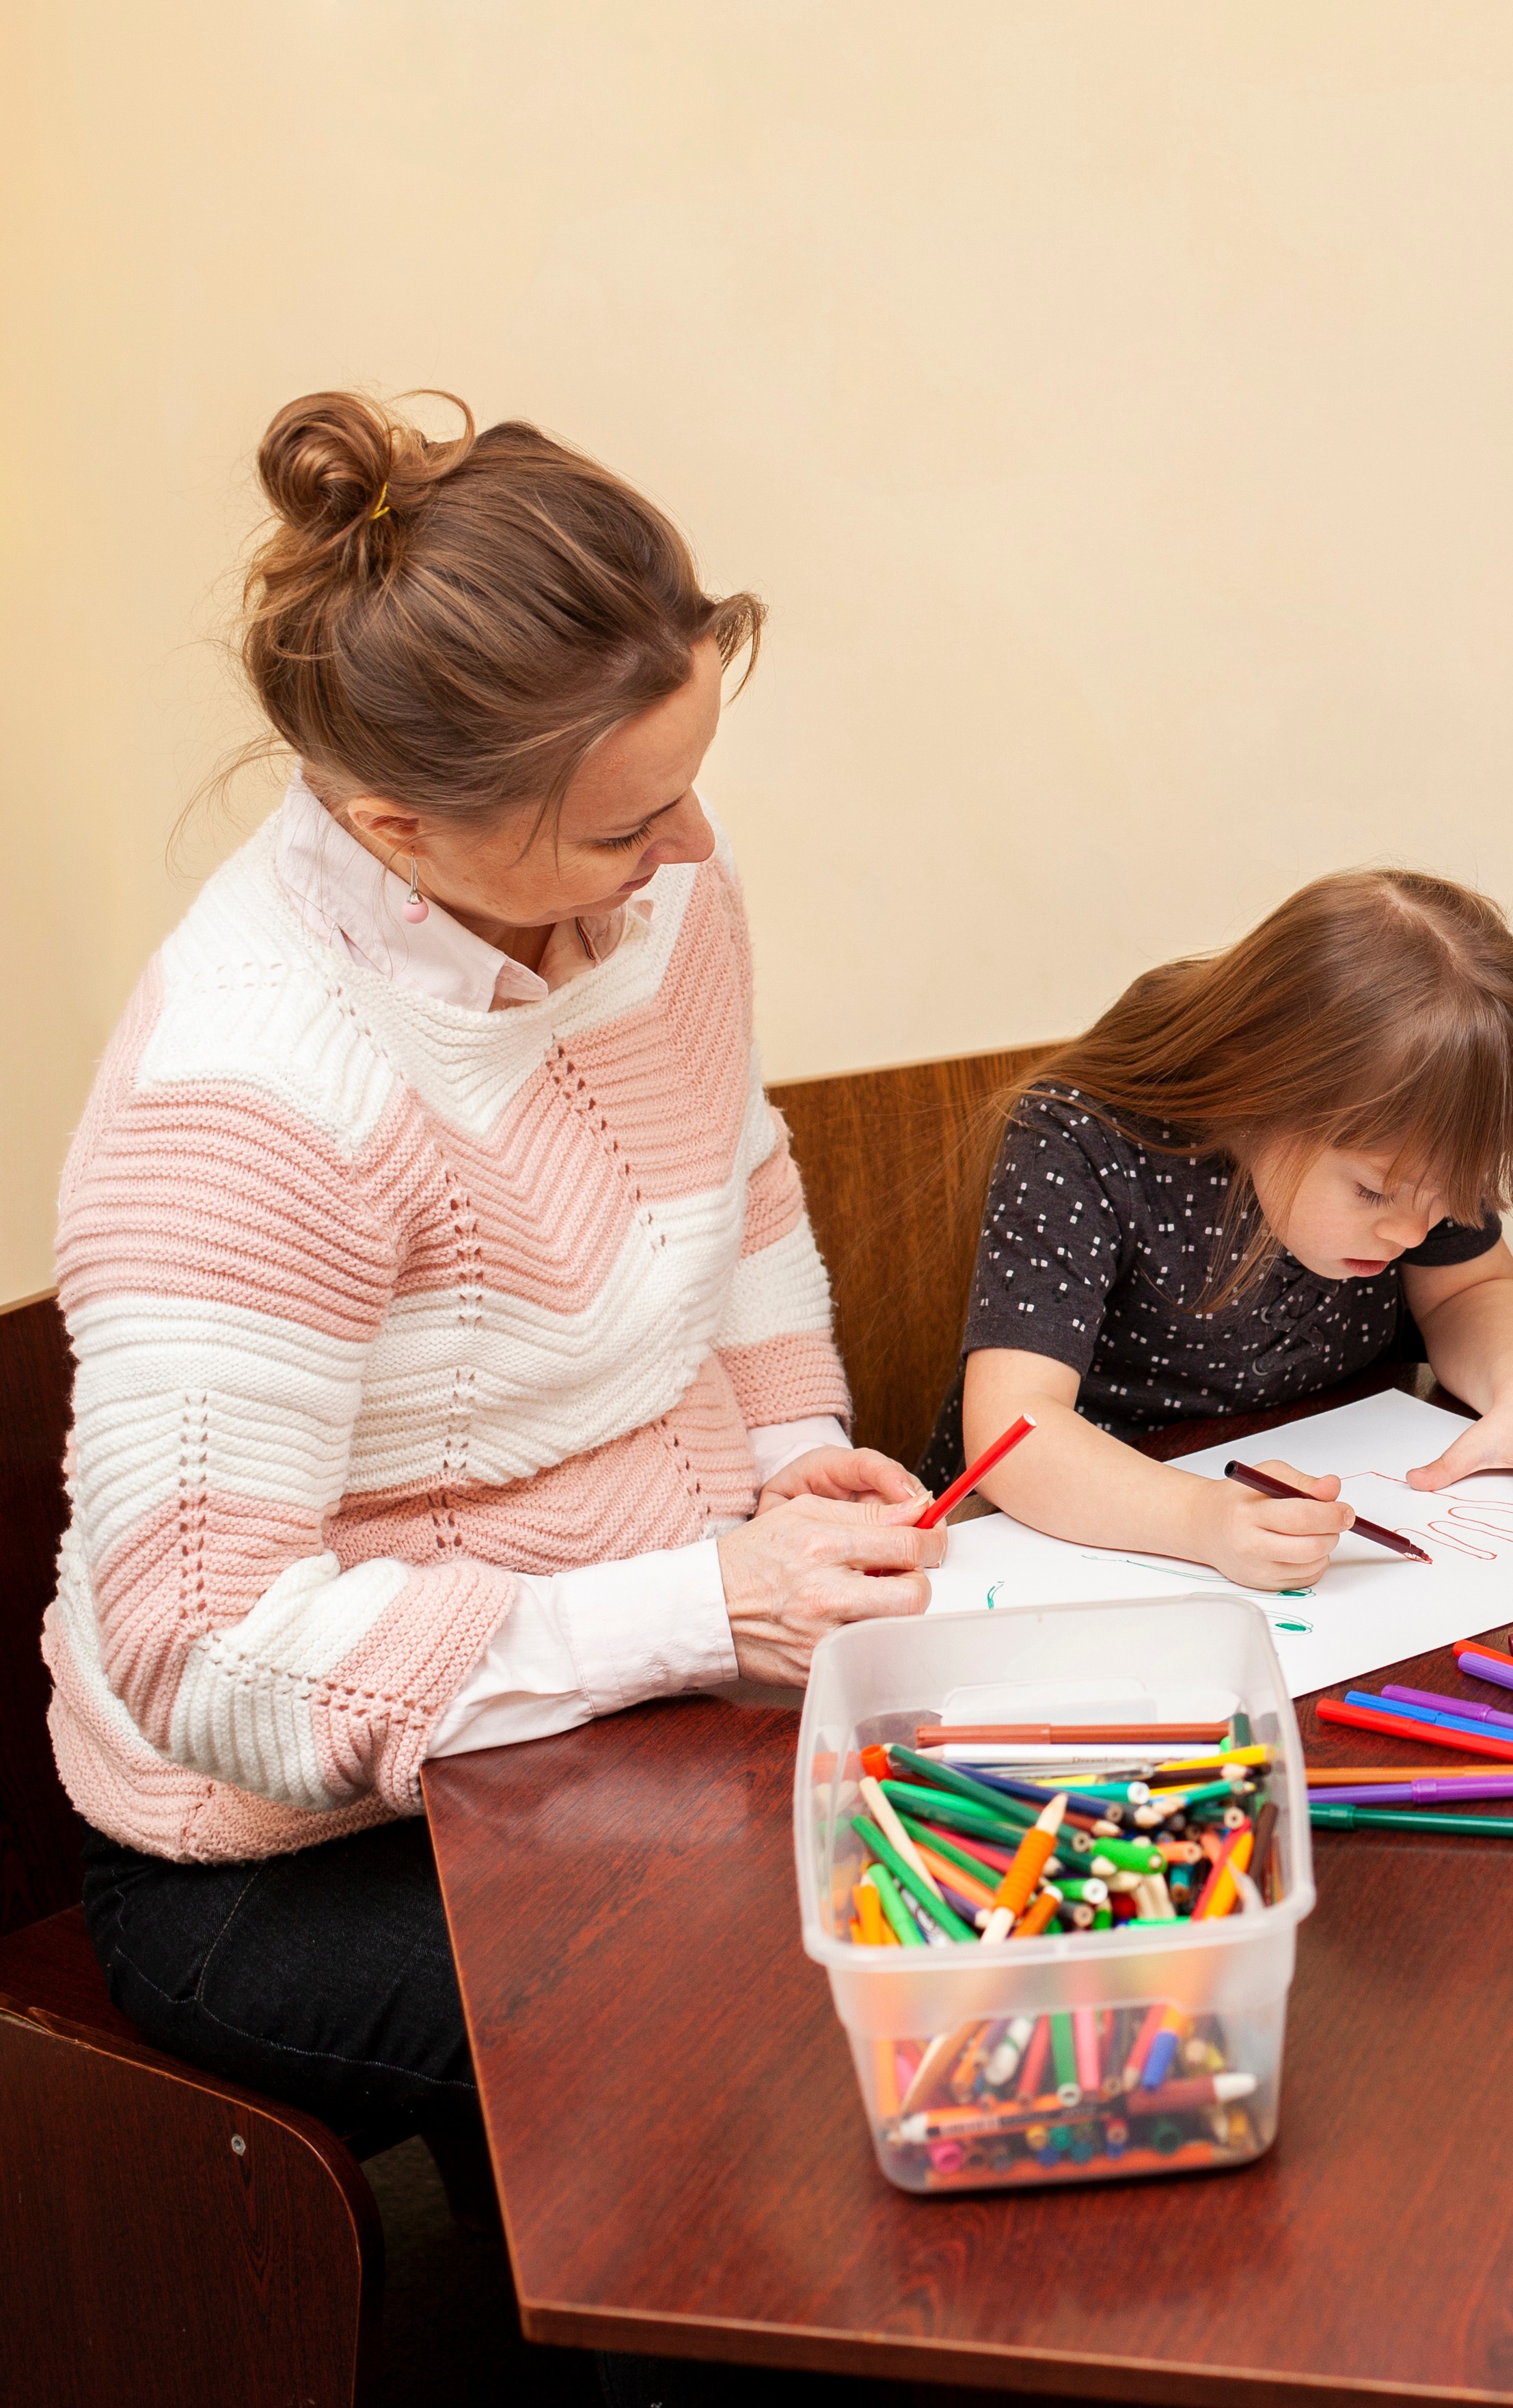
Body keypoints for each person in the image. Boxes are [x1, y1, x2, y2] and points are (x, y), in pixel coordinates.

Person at [56, 390, 941, 2189]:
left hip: (626, 1706)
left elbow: (737, 1168)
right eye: (628, 826)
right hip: (285, 1847)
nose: (688, 854)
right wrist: (709, 1609)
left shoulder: (652, 872)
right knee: (741, 2046)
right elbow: (206, 1654)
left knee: (957, 1905)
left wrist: (794, 1457)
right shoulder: (249, 1100)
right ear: (397, 828)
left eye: (689, 786)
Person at [929, 871, 1513, 1588]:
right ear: (1258, 1086)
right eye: (1371, 1190)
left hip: (1319, 1473)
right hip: (1079, 1545)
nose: (1409, 1231)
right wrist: (1199, 1519)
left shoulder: (1413, 1133)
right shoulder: (1080, 1138)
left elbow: (1469, 1289)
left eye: (1444, 1201)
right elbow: (1011, 1431)